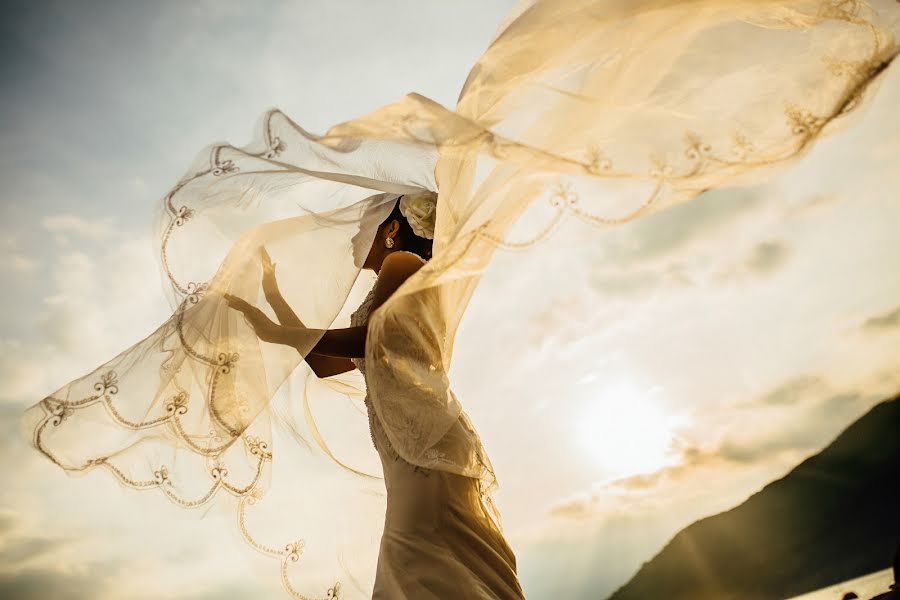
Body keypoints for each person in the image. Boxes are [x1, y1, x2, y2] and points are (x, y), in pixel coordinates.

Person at [22, 2, 900, 598]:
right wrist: (261, 319)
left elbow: (355, 352)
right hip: (425, 447)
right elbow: (339, 353)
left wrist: (265, 317)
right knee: (437, 571)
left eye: (374, 226)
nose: (361, 237)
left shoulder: (403, 277)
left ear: (398, 234)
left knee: (429, 572)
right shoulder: (394, 285)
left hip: (423, 455)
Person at [224, 194, 525, 598]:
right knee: (430, 563)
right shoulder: (399, 279)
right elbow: (325, 363)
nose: (352, 238)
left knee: (415, 562)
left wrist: (275, 332)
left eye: (362, 227)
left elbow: (369, 337)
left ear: (392, 230)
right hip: (407, 444)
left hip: (424, 441)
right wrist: (275, 298)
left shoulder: (404, 263)